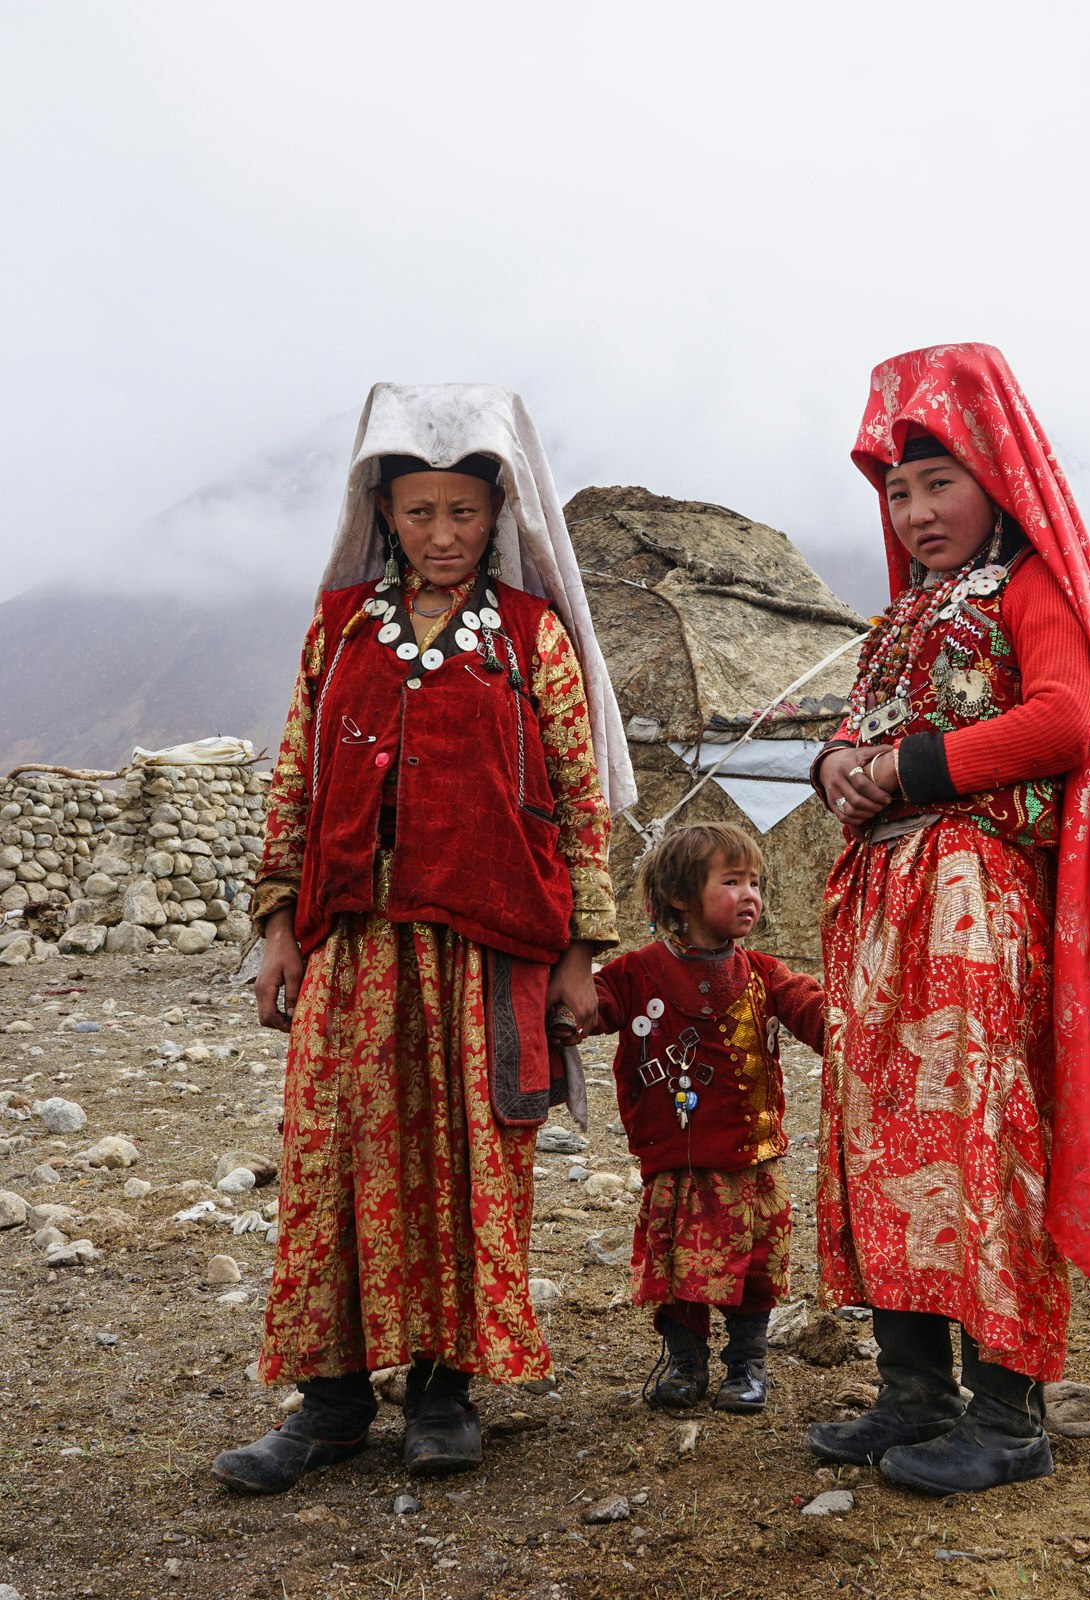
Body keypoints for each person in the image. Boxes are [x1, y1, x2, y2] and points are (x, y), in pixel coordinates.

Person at [213, 383, 635, 1492]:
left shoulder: (533, 639)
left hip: (483, 945)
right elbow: (297, 779)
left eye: (462, 511)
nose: (442, 534)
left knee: (465, 1161)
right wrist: (276, 929)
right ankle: (333, 1400)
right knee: (335, 1160)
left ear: (498, 514)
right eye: (418, 512)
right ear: (384, 514)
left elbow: (579, 801)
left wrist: (579, 952)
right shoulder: (342, 628)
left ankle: (445, 1389)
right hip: (353, 943)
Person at [807, 343, 1090, 1495]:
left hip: (974, 908)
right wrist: (837, 765)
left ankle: (1009, 1412)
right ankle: (913, 1391)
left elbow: (1065, 720)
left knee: (979, 1145)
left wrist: (909, 768)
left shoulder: (1031, 588)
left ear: (996, 480)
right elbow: (863, 723)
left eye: (941, 484)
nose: (917, 511)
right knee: (884, 1146)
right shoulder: (912, 608)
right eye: (898, 491)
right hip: (882, 912)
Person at [591, 823, 824, 1413]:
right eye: (731, 881)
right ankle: (684, 1364)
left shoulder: (764, 974)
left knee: (753, 1270)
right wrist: (563, 1004)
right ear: (680, 896)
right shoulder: (638, 971)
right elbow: (592, 1009)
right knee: (678, 1269)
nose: (750, 894)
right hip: (676, 1158)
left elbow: (814, 1012)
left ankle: (747, 1365)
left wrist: (854, 1026)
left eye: (754, 882)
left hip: (750, 1156)